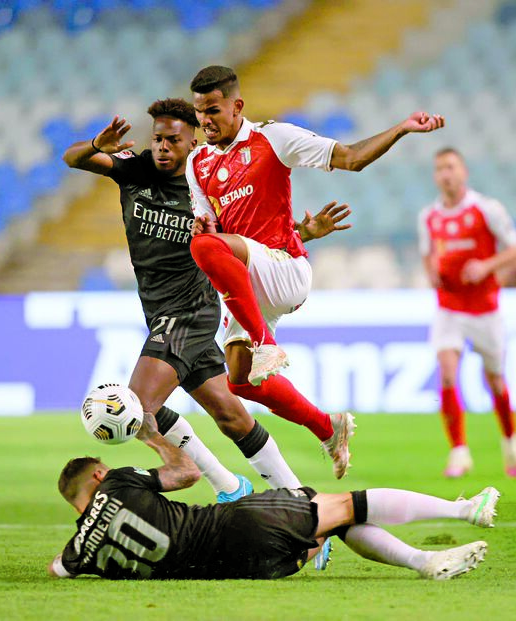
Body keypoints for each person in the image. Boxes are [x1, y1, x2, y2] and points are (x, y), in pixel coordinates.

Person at [61, 101, 349, 508]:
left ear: (191, 141)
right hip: (159, 313)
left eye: (173, 140)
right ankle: (303, 504)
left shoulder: (208, 186)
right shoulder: (134, 169)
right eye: (157, 139)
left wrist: (304, 233)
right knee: (232, 417)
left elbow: (251, 243)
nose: (162, 147)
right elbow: (72, 159)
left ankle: (214, 479)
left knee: (139, 405)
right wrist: (95, 145)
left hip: (191, 310)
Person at [186, 65, 446, 479]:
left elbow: (352, 158)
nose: (204, 121)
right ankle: (329, 428)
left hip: (284, 271)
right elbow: (221, 231)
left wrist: (401, 128)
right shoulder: (196, 163)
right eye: (199, 112)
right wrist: (297, 229)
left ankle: (264, 341)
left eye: (213, 110)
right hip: (248, 283)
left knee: (203, 247)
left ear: (237, 107)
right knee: (239, 383)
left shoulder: (274, 138)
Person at [47, 411, 499, 581]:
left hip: (254, 570)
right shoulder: (117, 482)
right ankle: (463, 509)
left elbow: (58, 569)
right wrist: (151, 436)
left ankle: (423, 562)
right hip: (238, 526)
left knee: (332, 520)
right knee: (344, 504)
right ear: (100, 473)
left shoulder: (78, 552)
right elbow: (184, 473)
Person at [417, 148, 516, 478]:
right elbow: (427, 254)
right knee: (447, 372)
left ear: (463, 171)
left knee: (494, 379)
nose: (445, 174)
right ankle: (459, 452)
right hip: (449, 306)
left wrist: (486, 266)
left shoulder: (486, 208)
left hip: (485, 309)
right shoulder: (429, 217)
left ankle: (510, 440)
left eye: (450, 167)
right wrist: (432, 270)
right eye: (439, 169)